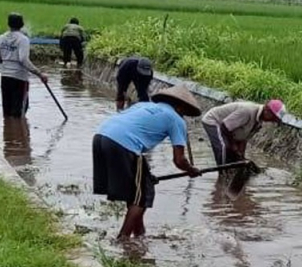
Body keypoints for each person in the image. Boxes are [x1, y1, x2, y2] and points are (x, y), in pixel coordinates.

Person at [92, 85, 203, 239]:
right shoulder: (176, 119)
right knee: (142, 196)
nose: (184, 116)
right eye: (185, 112)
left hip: (101, 137)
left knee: (137, 191)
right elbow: (179, 160)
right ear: (180, 107)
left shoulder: (143, 105)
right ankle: (123, 239)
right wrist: (191, 170)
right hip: (125, 144)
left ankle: (139, 234)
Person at [0, 12, 47, 118]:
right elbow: (23, 60)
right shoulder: (23, 39)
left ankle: (8, 133)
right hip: (19, 79)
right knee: (19, 113)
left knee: (7, 112)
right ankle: (18, 134)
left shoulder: (1, 38)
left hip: (5, 77)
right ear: (21, 25)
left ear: (8, 24)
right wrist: (40, 74)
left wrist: (8, 58)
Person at [200, 99, 284, 167]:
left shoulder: (258, 122)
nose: (273, 121)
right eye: (273, 118)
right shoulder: (248, 111)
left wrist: (241, 157)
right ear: (267, 110)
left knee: (234, 155)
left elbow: (243, 138)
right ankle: (223, 173)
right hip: (214, 120)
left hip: (228, 127)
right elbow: (224, 126)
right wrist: (233, 146)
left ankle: (229, 171)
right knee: (223, 146)